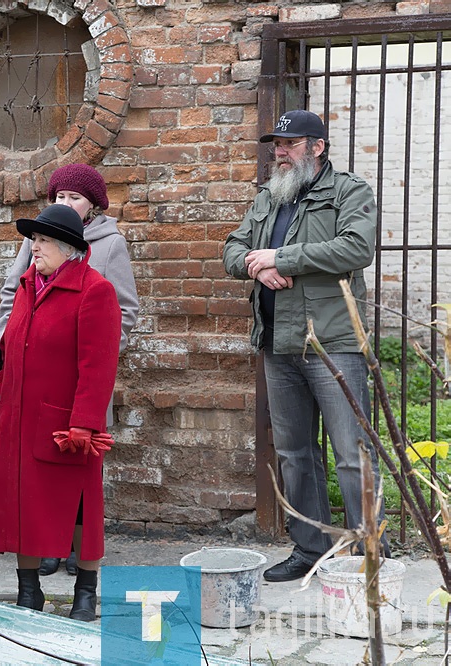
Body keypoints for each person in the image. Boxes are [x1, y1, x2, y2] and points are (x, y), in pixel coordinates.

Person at [222, 109, 385, 583]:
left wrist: (282, 256)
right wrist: (258, 267)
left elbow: (356, 249)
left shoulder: (349, 192)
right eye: (277, 144)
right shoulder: (269, 198)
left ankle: (369, 548)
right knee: (295, 453)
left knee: (352, 453)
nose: (280, 152)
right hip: (278, 343)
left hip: (334, 344)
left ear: (317, 147)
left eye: (290, 144)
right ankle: (310, 547)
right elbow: (233, 248)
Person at [0, 162, 138, 578]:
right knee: (34, 488)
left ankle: (80, 563)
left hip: (77, 391)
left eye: (74, 197)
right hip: (30, 391)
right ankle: (47, 553)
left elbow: (121, 313)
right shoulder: (38, 247)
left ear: (92, 204)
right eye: (60, 196)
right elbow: (14, 293)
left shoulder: (107, 250)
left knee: (76, 487)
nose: (66, 203)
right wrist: (17, 345)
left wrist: (95, 348)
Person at [0, 204, 121, 622]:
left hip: (69, 426)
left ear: (67, 248)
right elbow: (10, 350)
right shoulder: (28, 285)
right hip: (21, 421)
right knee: (23, 508)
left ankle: (85, 593)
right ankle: (29, 592)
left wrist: (84, 423)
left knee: (81, 509)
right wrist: (1, 398)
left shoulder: (95, 291)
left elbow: (98, 366)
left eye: (42, 241)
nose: (34, 247)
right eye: (34, 240)